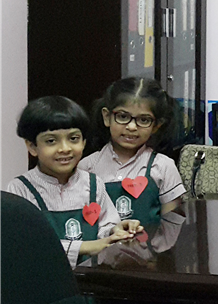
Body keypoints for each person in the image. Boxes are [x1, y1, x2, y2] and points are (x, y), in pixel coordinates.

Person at [6, 96, 140, 266]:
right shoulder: (19, 190)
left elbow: (106, 226)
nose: (65, 148)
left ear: (83, 142)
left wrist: (116, 231)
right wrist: (86, 247)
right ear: (32, 147)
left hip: (92, 279)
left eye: (74, 138)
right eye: (51, 141)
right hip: (43, 279)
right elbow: (26, 244)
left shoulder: (93, 184)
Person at [79, 78, 186, 228]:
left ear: (156, 126)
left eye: (144, 120)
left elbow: (171, 224)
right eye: (123, 117)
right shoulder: (86, 167)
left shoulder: (163, 167)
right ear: (107, 117)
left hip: (149, 243)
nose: (131, 127)